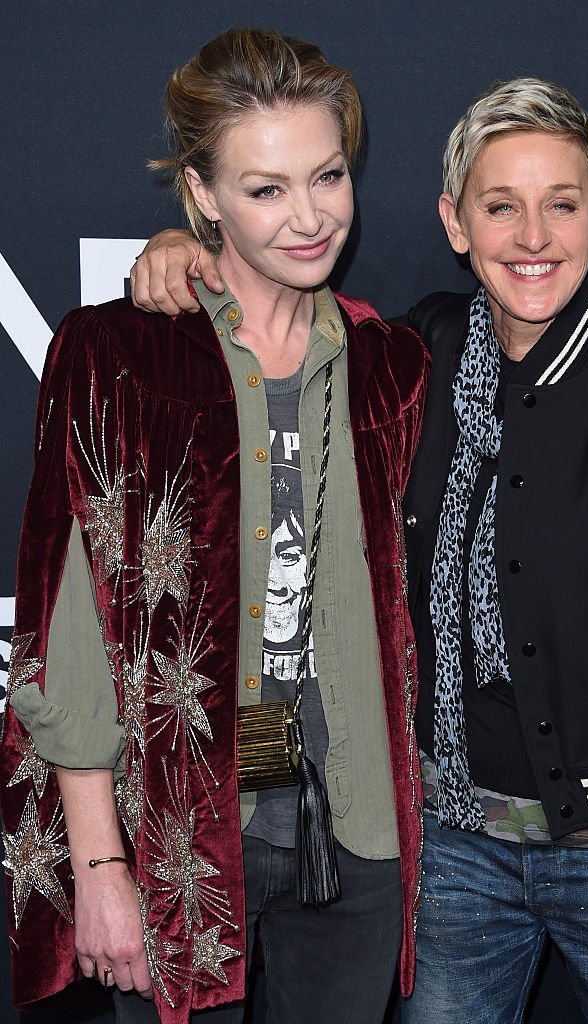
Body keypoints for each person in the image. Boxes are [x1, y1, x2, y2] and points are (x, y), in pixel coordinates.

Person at [131, 78, 588, 1024]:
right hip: (451, 855)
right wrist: (189, 253)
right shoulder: (409, 355)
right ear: (453, 222)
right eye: (499, 206)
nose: (532, 236)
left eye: (561, 205)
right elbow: (281, 314)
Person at [0, 28, 427, 1024]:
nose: (309, 216)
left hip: (355, 834)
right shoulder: (118, 356)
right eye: (266, 188)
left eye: (327, 176)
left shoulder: (392, 366)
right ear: (203, 194)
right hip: (178, 840)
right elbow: (67, 636)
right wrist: (100, 863)